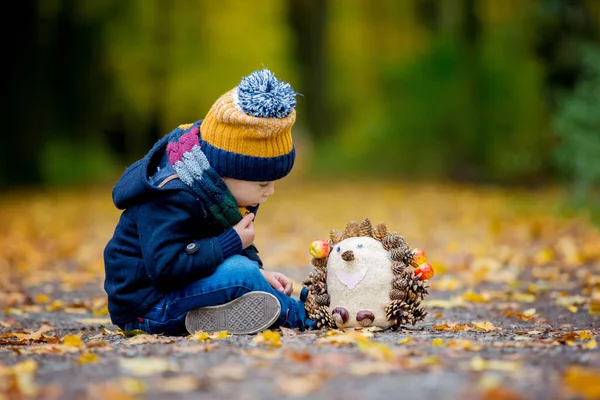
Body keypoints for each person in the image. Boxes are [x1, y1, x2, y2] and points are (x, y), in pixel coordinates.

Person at [103, 69, 313, 335]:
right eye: (262, 184)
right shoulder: (173, 194)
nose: (269, 192)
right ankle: (305, 316)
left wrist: (262, 277)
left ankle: (222, 313)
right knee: (241, 273)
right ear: (226, 171)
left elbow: (216, 235)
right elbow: (166, 267)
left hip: (177, 289)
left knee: (247, 271)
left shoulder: (211, 185)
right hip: (147, 307)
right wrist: (234, 245)